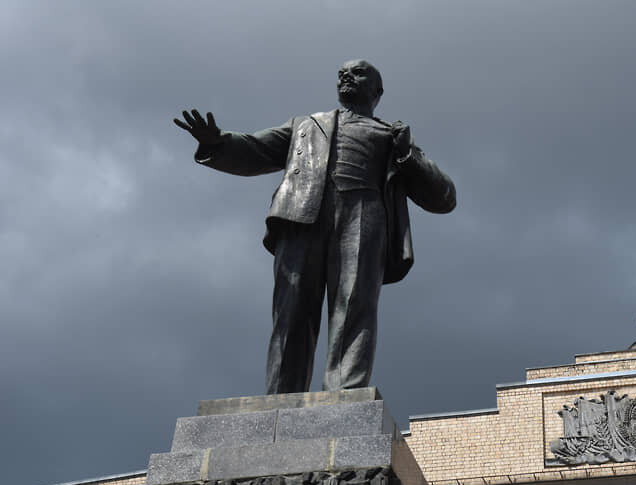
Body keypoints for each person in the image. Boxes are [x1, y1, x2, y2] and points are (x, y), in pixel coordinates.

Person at [174, 59, 456, 394]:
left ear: (377, 91)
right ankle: (281, 395)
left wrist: (408, 155)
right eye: (341, 73)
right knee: (291, 312)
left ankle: (344, 394)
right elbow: (256, 149)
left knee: (353, 309)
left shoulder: (391, 136)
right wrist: (217, 142)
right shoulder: (305, 125)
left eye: (358, 72)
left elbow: (444, 197)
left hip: (363, 217)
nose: (346, 76)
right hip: (301, 217)